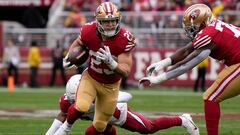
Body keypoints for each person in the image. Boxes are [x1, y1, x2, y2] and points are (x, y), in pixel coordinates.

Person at [139, 3, 240, 135]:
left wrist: (159, 78)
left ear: (203, 22)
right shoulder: (215, 27)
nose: (190, 31)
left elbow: (187, 64)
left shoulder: (208, 35)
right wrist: (164, 63)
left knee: (211, 97)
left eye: (193, 28)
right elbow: (187, 50)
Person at [62, 2, 136, 134]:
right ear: (98, 22)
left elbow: (125, 71)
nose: (111, 24)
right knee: (81, 106)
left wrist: (112, 63)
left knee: (101, 125)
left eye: (114, 20)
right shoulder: (88, 30)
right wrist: (69, 55)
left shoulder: (125, 39)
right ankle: (64, 129)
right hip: (91, 77)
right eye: (106, 21)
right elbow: (79, 42)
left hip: (110, 85)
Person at [46, 74, 199, 135]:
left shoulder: (94, 95)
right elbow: (63, 117)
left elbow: (126, 96)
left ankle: (183, 119)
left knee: (148, 128)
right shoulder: (68, 102)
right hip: (100, 121)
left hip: (116, 112)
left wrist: (109, 99)